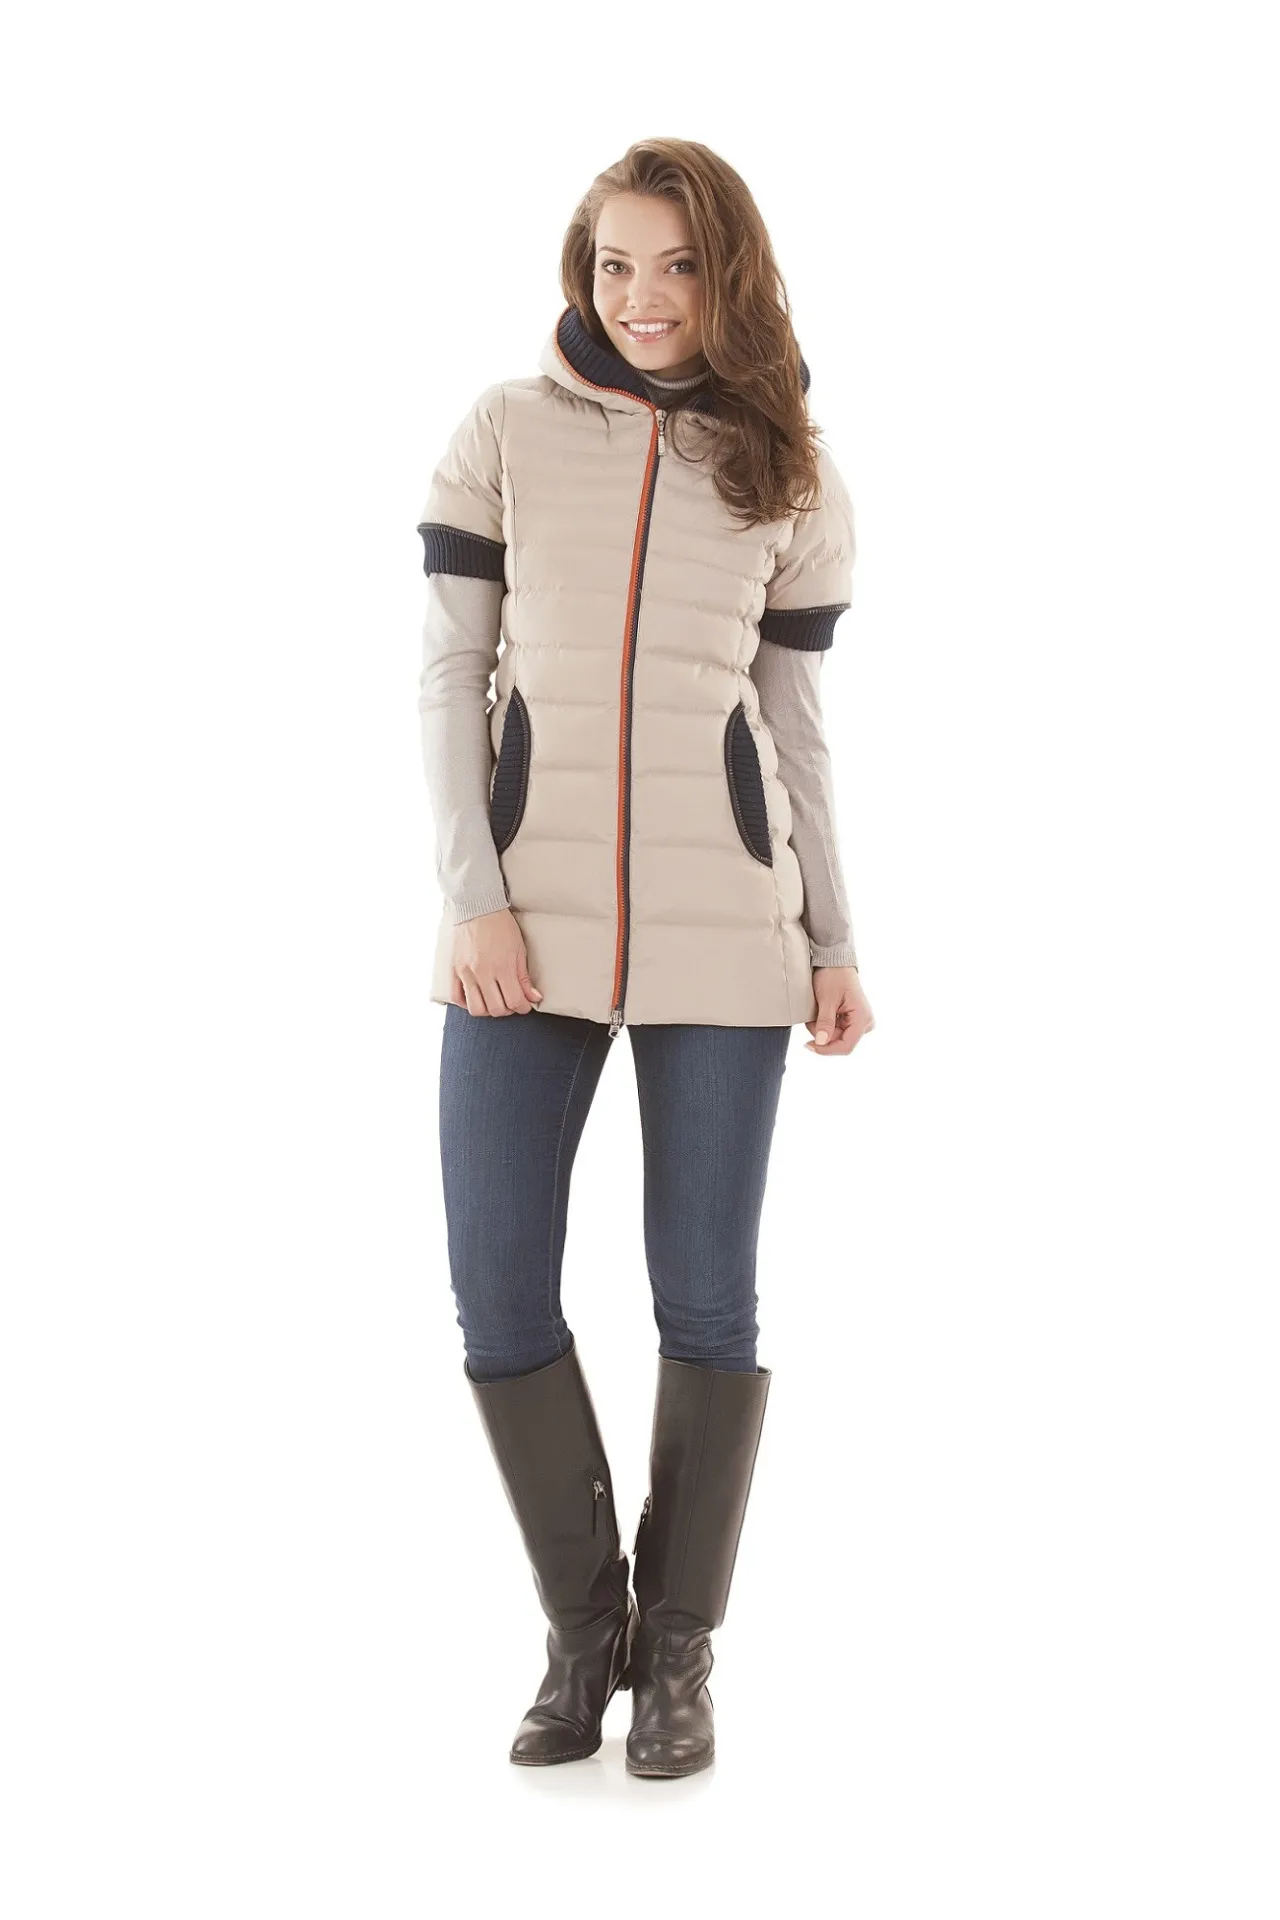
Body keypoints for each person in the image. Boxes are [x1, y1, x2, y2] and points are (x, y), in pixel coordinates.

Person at [416, 138, 874, 1779]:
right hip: (520, 936)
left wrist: (833, 937)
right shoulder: (505, 432)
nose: (642, 296)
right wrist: (472, 899)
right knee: (495, 1286)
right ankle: (582, 1630)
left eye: (676, 264)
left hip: (730, 940)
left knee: (707, 1292)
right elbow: (449, 677)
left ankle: (679, 1653)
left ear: (727, 273)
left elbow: (797, 730)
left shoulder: (788, 469)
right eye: (614, 264)